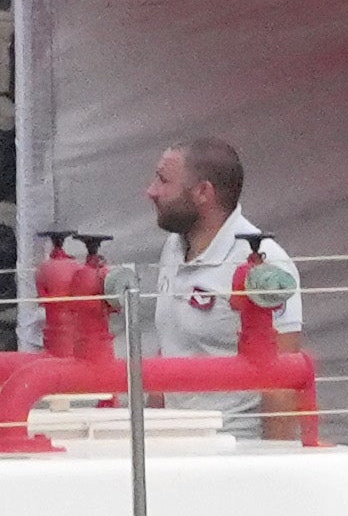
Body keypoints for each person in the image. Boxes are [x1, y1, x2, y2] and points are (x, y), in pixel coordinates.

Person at [121, 135, 303, 363]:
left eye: (163, 180)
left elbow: (283, 380)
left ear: (203, 192)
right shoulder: (174, 245)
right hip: (178, 399)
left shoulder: (269, 263)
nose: (151, 191)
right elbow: (174, 347)